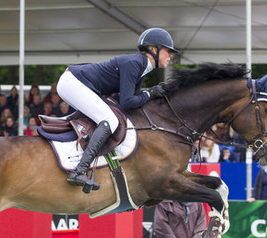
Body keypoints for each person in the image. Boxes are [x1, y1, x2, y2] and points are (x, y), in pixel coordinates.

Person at [56, 27, 178, 191]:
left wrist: (151, 93)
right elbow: (128, 102)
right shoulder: (134, 63)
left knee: (106, 118)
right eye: (168, 51)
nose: (171, 55)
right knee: (109, 120)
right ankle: (80, 170)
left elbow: (132, 98)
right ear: (154, 50)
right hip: (73, 82)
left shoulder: (141, 66)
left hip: (76, 82)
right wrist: (150, 93)